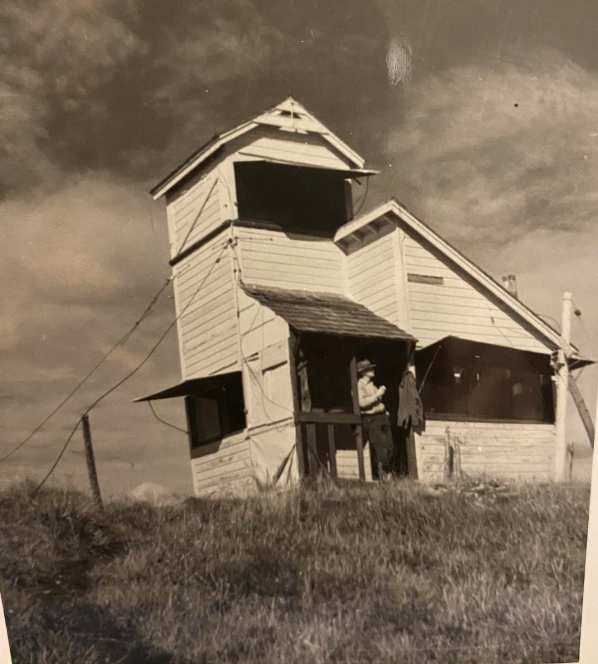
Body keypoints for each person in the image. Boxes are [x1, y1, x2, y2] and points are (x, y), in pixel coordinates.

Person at [357, 358, 393, 479]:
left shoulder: (372, 385)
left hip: (382, 417)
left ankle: (386, 473)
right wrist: (377, 395)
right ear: (363, 372)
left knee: (389, 446)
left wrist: (384, 409)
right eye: (369, 368)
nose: (373, 370)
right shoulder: (359, 386)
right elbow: (361, 403)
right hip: (372, 419)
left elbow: (377, 401)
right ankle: (383, 475)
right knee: (380, 448)